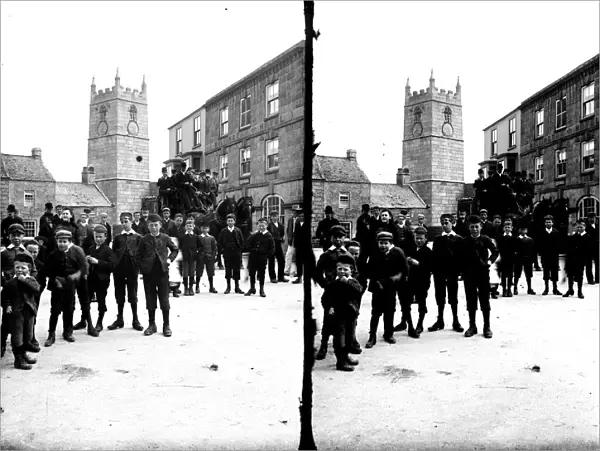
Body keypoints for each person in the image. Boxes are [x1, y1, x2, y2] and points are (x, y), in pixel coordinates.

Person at [135, 213, 179, 337]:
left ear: (160, 225)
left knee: (164, 299)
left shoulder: (165, 238)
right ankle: (152, 324)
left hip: (162, 273)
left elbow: (175, 250)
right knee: (150, 299)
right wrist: (143, 267)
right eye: (151, 225)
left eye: (156, 225)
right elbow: (138, 256)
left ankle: (166, 325)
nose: (154, 228)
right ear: (148, 226)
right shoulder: (144, 239)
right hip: (148, 274)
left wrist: (169, 260)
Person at [43, 229, 87, 346]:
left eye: (64, 241)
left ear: (69, 242)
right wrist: (55, 280)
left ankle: (67, 331)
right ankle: (51, 334)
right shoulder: (53, 255)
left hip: (70, 287)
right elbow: (48, 270)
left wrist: (74, 277)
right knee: (55, 310)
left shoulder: (74, 254)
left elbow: (81, 269)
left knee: (69, 309)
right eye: (59, 241)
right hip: (57, 287)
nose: (62, 244)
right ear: (56, 242)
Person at [365, 230, 408, 348]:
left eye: (385, 243)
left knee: (389, 311)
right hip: (377, 288)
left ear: (390, 243)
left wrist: (396, 278)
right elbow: (369, 271)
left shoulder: (398, 252)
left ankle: (388, 334)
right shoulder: (374, 254)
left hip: (391, 288)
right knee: (375, 312)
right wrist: (377, 282)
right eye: (380, 243)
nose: (383, 245)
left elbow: (404, 270)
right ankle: (372, 336)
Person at [315, 225, 352, 360]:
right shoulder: (326, 255)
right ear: (331, 238)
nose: (338, 240)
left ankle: (345, 348)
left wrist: (350, 284)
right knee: (328, 319)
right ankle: (323, 345)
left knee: (344, 320)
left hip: (345, 293)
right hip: (330, 293)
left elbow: (355, 272)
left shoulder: (347, 255)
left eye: (341, 237)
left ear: (344, 238)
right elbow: (317, 273)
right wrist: (325, 284)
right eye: (335, 237)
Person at [1, 224, 38, 357]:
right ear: (9, 236)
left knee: (24, 322)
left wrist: (28, 281)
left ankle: (23, 349)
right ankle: (2, 344)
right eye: (13, 235)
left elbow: (33, 271)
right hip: (10, 293)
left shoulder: (26, 253)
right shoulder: (4, 253)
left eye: (19, 235)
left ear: (23, 236)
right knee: (6, 321)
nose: (16, 238)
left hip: (24, 294)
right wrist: (5, 281)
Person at [459, 215, 499, 339]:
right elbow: (460, 257)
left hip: (482, 274)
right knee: (471, 300)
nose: (474, 229)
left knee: (484, 300)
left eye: (477, 227)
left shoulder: (485, 239)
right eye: (472, 227)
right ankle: (472, 326)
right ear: (468, 227)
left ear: (481, 227)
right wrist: (462, 271)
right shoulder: (464, 241)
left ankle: (487, 327)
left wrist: (489, 261)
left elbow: (495, 251)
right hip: (469, 275)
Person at [321, 254, 362, 372]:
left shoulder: (353, 282)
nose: (342, 272)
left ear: (351, 271)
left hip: (351, 314)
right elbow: (325, 298)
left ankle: (346, 356)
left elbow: (358, 291)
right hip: (338, 316)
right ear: (336, 270)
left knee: (350, 337)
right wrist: (329, 307)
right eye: (340, 269)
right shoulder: (333, 284)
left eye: (346, 269)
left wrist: (347, 282)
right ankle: (340, 362)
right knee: (340, 339)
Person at [1, 254, 40, 370]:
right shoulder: (10, 283)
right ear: (14, 268)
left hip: (29, 312)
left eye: (23, 268)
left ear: (29, 269)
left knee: (28, 335)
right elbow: (3, 297)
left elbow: (36, 289)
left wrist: (25, 280)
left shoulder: (31, 280)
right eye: (17, 267)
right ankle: (18, 360)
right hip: (16, 314)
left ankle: (23, 354)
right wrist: (7, 305)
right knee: (17, 336)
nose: (20, 270)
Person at [108, 212, 144, 331]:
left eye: (126, 221)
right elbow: (113, 253)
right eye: (122, 221)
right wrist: (114, 266)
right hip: (119, 270)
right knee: (119, 294)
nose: (124, 223)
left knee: (132, 294)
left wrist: (138, 267)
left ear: (132, 221)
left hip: (132, 269)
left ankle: (135, 319)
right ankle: (120, 319)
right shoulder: (117, 238)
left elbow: (141, 254)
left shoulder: (138, 237)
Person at [428, 214, 464, 333]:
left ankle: (455, 320)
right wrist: (434, 271)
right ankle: (440, 320)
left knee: (453, 297)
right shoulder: (438, 239)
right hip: (439, 273)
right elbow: (434, 257)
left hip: (452, 273)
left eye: (447, 222)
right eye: (442, 222)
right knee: (440, 296)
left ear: (452, 223)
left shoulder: (458, 239)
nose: (444, 225)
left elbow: (460, 257)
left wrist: (459, 272)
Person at [399, 226, 433, 338]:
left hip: (422, 282)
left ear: (426, 239)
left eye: (421, 238)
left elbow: (430, 268)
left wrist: (417, 263)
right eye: (417, 238)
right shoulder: (410, 249)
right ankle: (407, 324)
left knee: (421, 303)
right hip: (410, 281)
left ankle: (420, 324)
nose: (418, 240)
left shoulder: (428, 252)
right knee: (406, 303)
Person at [84, 225, 115, 333]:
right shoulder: (91, 248)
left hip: (102, 280)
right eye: (96, 236)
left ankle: (99, 322)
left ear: (105, 237)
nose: (98, 239)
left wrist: (98, 262)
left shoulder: (108, 250)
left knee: (101, 301)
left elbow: (112, 266)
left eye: (100, 237)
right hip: (91, 279)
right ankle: (85, 321)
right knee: (86, 300)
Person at [344, 240, 366, 354]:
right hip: (344, 296)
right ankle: (346, 342)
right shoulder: (342, 264)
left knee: (354, 317)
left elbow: (364, 282)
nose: (354, 256)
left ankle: (353, 338)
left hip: (356, 296)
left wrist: (359, 292)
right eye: (351, 253)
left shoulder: (361, 264)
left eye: (356, 253)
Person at [245, 217, 275, 297]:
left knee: (261, 274)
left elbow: (272, 249)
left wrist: (266, 256)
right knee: (252, 273)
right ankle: (252, 288)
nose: (261, 227)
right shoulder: (255, 235)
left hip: (262, 258)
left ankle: (261, 289)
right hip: (253, 257)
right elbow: (248, 244)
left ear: (266, 226)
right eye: (260, 226)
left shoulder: (269, 236)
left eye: (263, 226)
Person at [25, 240, 46, 350]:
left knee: (32, 317)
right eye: (30, 251)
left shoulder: (41, 265)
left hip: (34, 296)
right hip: (20, 296)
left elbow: (42, 282)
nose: (33, 254)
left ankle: (31, 336)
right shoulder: (20, 262)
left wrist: (36, 291)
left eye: (35, 252)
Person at [217, 213, 245, 295]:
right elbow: (220, 242)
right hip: (227, 252)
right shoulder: (223, 231)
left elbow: (242, 241)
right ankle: (228, 286)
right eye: (228, 221)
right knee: (228, 269)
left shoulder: (238, 231)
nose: (230, 222)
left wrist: (240, 250)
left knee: (237, 269)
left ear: (234, 221)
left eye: (231, 220)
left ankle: (237, 287)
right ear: (226, 222)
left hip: (236, 252)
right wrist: (222, 250)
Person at [563, 220, 591, 299]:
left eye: (581, 227)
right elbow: (570, 246)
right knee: (570, 275)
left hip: (580, 260)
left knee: (579, 275)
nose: (579, 228)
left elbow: (588, 250)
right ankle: (570, 289)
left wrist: (585, 260)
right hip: (572, 259)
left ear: (584, 227)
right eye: (578, 227)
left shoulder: (587, 237)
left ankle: (579, 291)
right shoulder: (575, 236)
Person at [537, 215, 562, 296]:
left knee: (554, 272)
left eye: (550, 222)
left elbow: (559, 244)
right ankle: (546, 288)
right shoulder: (541, 232)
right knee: (546, 272)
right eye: (547, 222)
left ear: (552, 223)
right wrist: (541, 254)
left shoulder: (556, 232)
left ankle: (555, 288)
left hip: (554, 255)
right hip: (545, 255)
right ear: (544, 223)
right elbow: (539, 244)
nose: (548, 223)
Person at [179, 219, 201, 296]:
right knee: (185, 272)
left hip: (193, 257)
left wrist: (197, 252)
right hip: (185, 257)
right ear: (185, 227)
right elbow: (180, 246)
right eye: (187, 226)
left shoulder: (196, 236)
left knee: (192, 272)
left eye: (190, 226)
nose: (189, 227)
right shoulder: (182, 237)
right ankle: (185, 287)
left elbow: (200, 246)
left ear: (193, 227)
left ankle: (191, 287)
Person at [195, 221, 218, 294]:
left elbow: (214, 248)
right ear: (200, 229)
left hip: (209, 256)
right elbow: (196, 247)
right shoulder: (198, 237)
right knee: (199, 271)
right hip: (201, 256)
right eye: (203, 228)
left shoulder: (211, 238)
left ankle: (211, 287)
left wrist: (213, 256)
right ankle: (197, 287)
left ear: (208, 229)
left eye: (206, 228)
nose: (204, 230)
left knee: (210, 272)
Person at [513, 223, 536, 295]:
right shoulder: (516, 239)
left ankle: (529, 288)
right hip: (519, 258)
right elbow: (514, 249)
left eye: (525, 229)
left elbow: (533, 250)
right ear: (519, 230)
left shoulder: (530, 239)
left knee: (528, 274)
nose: (523, 231)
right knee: (517, 273)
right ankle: (515, 288)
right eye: (522, 229)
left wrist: (533, 260)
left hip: (528, 258)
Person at [497, 221, 517, 298]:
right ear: (503, 228)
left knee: (510, 275)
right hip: (503, 258)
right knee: (503, 275)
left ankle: (509, 289)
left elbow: (515, 248)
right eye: (506, 227)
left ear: (511, 228)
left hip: (511, 259)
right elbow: (499, 247)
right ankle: (504, 290)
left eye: (509, 227)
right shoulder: (501, 237)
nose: (507, 229)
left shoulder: (514, 237)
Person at [267, 210, 288, 283]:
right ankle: (272, 277)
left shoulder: (281, 225)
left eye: (276, 216)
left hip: (278, 244)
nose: (274, 217)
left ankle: (281, 276)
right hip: (271, 245)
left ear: (278, 216)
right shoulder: (269, 225)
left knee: (282, 260)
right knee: (271, 261)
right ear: (270, 217)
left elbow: (282, 234)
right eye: (273, 216)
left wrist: (281, 238)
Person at [292, 212, 311, 284]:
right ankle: (299, 277)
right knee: (298, 262)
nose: (301, 217)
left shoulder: (307, 225)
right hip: (298, 247)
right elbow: (295, 235)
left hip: (305, 247)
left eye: (303, 216)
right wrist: (295, 245)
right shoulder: (297, 225)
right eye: (300, 216)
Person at [284, 207, 302, 278]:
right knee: (288, 254)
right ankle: (286, 270)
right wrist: (289, 238)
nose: (294, 214)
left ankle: (298, 271)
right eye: (294, 212)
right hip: (291, 240)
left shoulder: (300, 220)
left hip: (298, 240)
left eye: (296, 213)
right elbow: (288, 229)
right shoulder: (290, 220)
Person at [585, 212, 599, 284]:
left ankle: (597, 278)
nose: (592, 219)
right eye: (590, 218)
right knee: (588, 264)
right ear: (588, 219)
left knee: (598, 264)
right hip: (588, 248)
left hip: (597, 248)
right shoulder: (585, 227)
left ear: (595, 218)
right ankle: (590, 279)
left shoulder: (598, 226)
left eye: (593, 218)